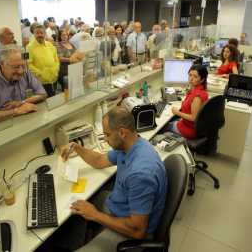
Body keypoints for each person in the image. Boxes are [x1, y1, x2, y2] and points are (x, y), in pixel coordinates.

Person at [49, 107, 167, 251]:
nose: (105, 139)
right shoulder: (130, 145)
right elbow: (99, 160)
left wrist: (95, 215)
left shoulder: (140, 174)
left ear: (122, 132)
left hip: (130, 231)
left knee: (85, 213)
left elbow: (137, 231)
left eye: (107, 134)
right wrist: (77, 147)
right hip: (120, 206)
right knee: (77, 207)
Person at [0, 48, 46, 127]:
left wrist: (22, 102)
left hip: (25, 124)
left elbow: (42, 94)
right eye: (16, 67)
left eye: (23, 66)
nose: (20, 71)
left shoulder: (25, 73)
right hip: (2, 130)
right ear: (2, 64)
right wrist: (16, 111)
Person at [167, 64, 209, 139]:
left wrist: (177, 112)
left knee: (164, 127)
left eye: (195, 76)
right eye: (190, 75)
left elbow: (194, 118)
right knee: (172, 121)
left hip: (190, 130)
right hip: (191, 125)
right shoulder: (198, 90)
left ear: (202, 79)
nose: (191, 78)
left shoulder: (197, 96)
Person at [27, 24, 60, 97]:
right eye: (37, 33)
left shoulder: (50, 45)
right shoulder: (29, 47)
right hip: (40, 82)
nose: (40, 35)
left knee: (53, 98)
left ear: (45, 34)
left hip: (53, 78)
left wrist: (56, 70)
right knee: (44, 102)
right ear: (34, 34)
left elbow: (56, 59)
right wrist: (40, 73)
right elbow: (28, 64)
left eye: (41, 33)